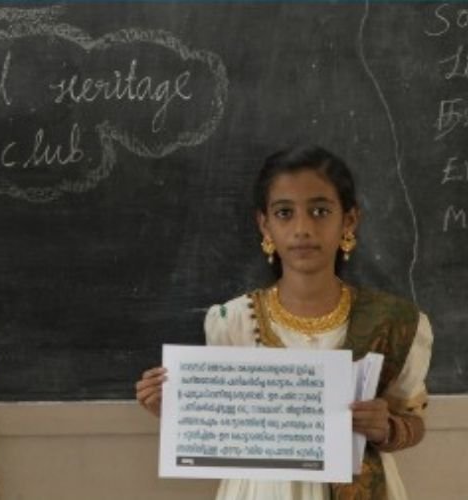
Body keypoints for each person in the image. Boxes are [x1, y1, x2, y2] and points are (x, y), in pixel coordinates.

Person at [135, 146, 432, 500]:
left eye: (320, 211)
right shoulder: (233, 322)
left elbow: (413, 420)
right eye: (284, 213)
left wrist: (387, 428)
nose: (302, 228)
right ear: (265, 224)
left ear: (349, 221)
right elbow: (228, 429)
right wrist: (174, 409)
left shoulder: (394, 321)